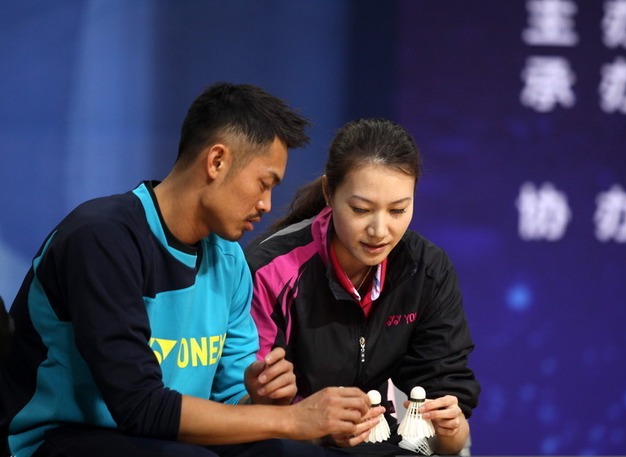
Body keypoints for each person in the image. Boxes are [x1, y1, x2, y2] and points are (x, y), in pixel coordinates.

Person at [0, 83, 377, 457]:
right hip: (56, 438)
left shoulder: (229, 260)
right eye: (264, 184)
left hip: (165, 438)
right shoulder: (101, 238)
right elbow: (138, 406)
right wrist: (292, 420)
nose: (266, 204)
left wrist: (259, 399)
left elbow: (230, 401)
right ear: (217, 161)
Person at [245, 118, 481, 455]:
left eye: (398, 210)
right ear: (329, 193)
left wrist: (451, 428)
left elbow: (447, 434)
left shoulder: (428, 271)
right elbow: (247, 407)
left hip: (384, 443)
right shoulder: (271, 270)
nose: (379, 230)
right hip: (295, 444)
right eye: (361, 209)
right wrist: (312, 426)